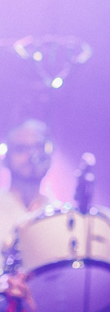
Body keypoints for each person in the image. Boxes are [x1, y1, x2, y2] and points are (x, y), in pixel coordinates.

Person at [1, 119, 57, 310]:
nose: (32, 155)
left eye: (39, 147)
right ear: (5, 159)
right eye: (21, 149)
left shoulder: (61, 215)